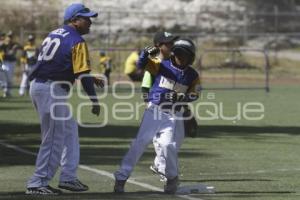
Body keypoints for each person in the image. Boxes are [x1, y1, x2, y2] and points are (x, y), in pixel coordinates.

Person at [26, 3, 102, 195]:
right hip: (51, 90)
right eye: (86, 18)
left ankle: (68, 177)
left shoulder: (54, 33)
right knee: (53, 138)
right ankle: (38, 182)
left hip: (42, 85)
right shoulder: (77, 40)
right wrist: (94, 100)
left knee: (69, 131)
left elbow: (51, 60)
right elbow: (83, 74)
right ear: (74, 20)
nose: (90, 22)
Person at [114, 39, 201, 194]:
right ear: (174, 53)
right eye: (178, 53)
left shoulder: (192, 75)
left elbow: (195, 93)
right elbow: (141, 65)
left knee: (168, 146)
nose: (180, 57)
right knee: (139, 143)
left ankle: (172, 178)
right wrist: (144, 54)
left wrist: (183, 98)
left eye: (185, 54)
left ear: (191, 57)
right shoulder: (162, 64)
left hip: (172, 115)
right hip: (154, 111)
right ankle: (121, 178)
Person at [141, 31, 179, 182]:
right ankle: (162, 168)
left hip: (171, 105)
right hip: (156, 104)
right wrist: (148, 102)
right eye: (168, 43)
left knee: (169, 140)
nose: (172, 45)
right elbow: (145, 84)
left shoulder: (174, 62)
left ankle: (159, 164)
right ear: (158, 45)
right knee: (159, 139)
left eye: (172, 43)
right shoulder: (154, 62)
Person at [1, 31, 22, 97]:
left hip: (12, 62)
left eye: (11, 36)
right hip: (5, 62)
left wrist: (16, 46)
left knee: (9, 78)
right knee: (5, 78)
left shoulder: (14, 43)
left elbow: (21, 47)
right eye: (9, 36)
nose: (10, 38)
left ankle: (8, 92)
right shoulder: (4, 43)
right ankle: (6, 91)